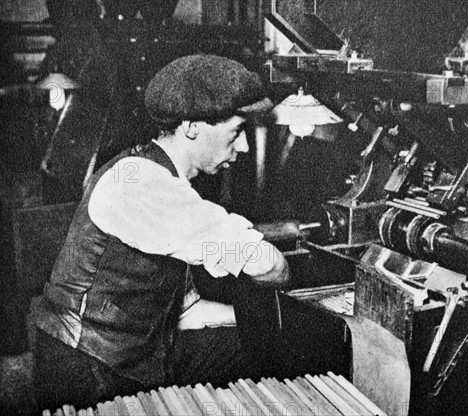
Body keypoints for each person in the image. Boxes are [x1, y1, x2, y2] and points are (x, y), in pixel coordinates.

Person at [33, 54, 290, 411]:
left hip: (143, 352)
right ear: (191, 127)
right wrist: (282, 278)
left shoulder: (159, 175)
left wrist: (283, 322)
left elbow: (189, 311)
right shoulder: (142, 183)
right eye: (236, 131)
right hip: (89, 370)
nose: (244, 146)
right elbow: (266, 265)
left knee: (266, 346)